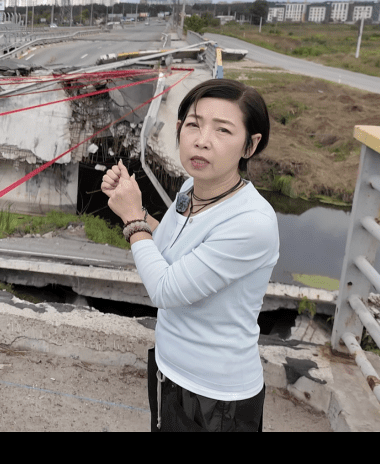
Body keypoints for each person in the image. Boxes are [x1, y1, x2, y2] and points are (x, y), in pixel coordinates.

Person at [100, 78, 278, 432]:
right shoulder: (189, 190)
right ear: (179, 130)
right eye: (194, 125)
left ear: (250, 145)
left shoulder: (251, 222)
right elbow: (167, 247)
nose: (202, 140)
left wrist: (133, 219)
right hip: (170, 368)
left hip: (218, 396)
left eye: (223, 130)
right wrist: (130, 200)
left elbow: (166, 290)